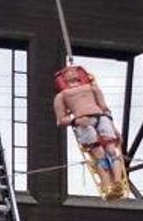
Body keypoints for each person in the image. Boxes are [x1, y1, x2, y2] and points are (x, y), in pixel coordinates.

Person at [51, 64, 128, 200]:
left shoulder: (93, 88)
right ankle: (107, 186)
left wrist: (115, 129)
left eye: (74, 70)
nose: (71, 72)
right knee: (99, 154)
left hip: (102, 118)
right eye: (67, 71)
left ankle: (117, 182)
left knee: (112, 151)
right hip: (83, 122)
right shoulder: (61, 96)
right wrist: (75, 121)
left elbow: (104, 108)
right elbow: (61, 120)